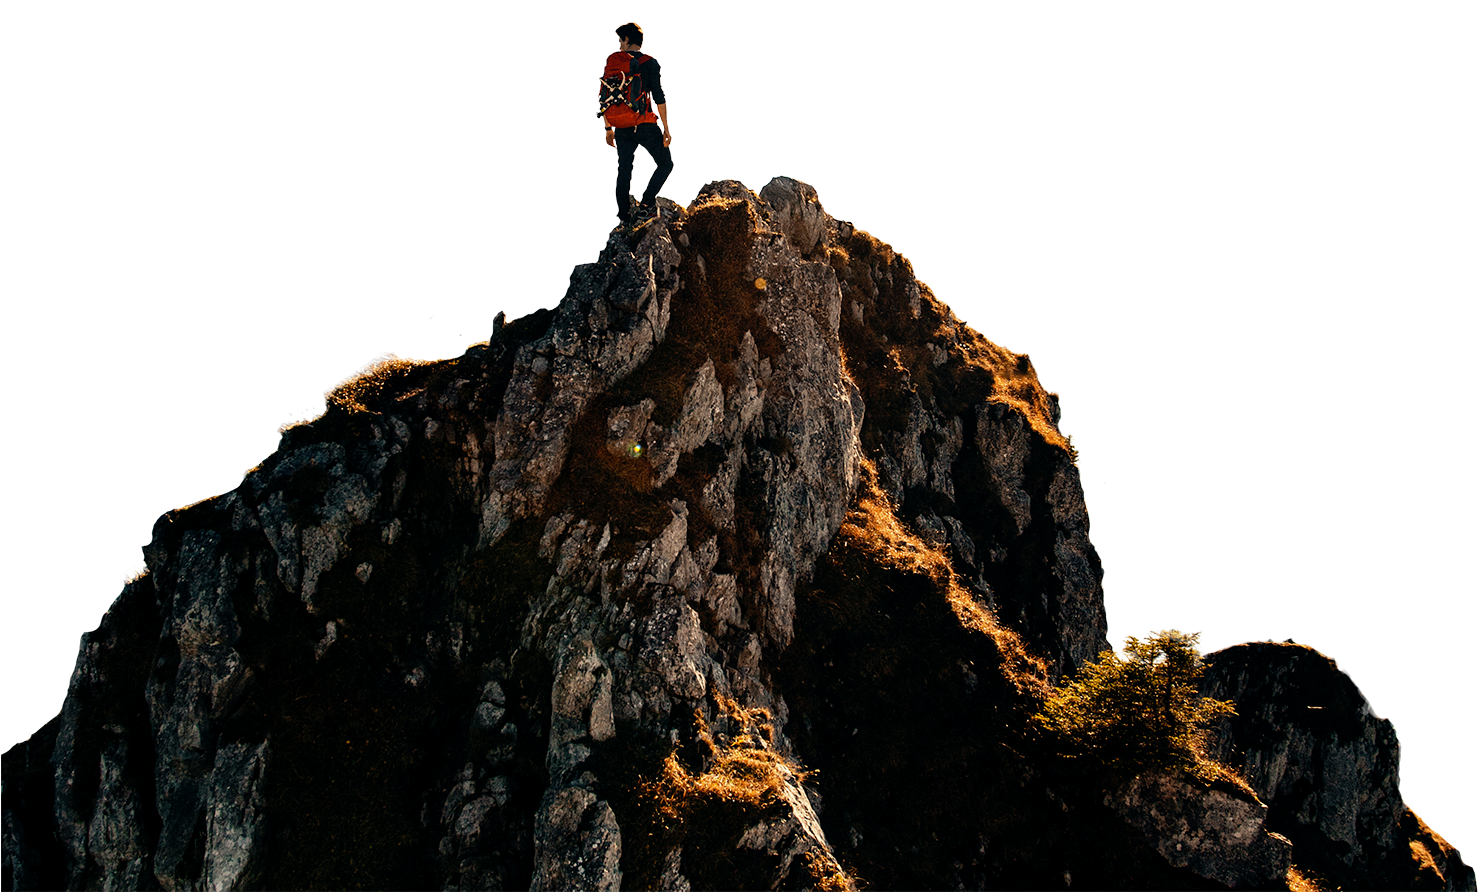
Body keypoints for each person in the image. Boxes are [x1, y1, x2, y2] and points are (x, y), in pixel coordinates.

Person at [603, 22, 672, 231]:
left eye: (620, 40)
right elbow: (659, 97)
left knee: (624, 169)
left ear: (626, 39)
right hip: (644, 124)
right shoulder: (649, 63)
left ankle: (624, 218)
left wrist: (608, 128)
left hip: (621, 126)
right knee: (665, 163)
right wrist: (666, 130)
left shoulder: (615, 63)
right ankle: (646, 204)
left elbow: (606, 96)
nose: (619, 44)